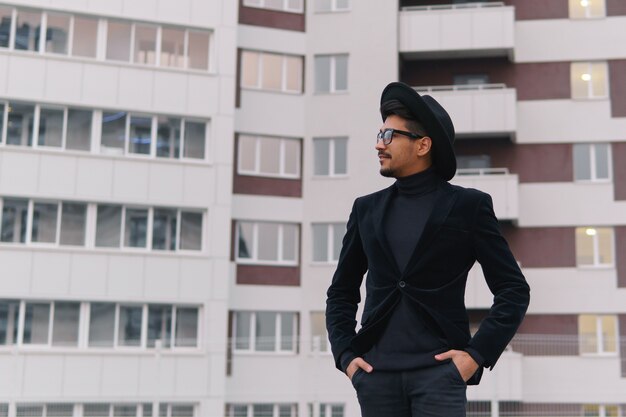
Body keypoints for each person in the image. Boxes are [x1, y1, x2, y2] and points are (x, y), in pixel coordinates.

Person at [325, 82, 530, 417]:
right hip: (376, 379)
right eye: (379, 134)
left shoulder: (469, 206)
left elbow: (513, 290)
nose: (379, 144)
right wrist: (347, 358)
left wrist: (474, 357)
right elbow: (341, 292)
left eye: (390, 135)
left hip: (440, 378)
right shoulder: (366, 210)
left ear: (423, 145)